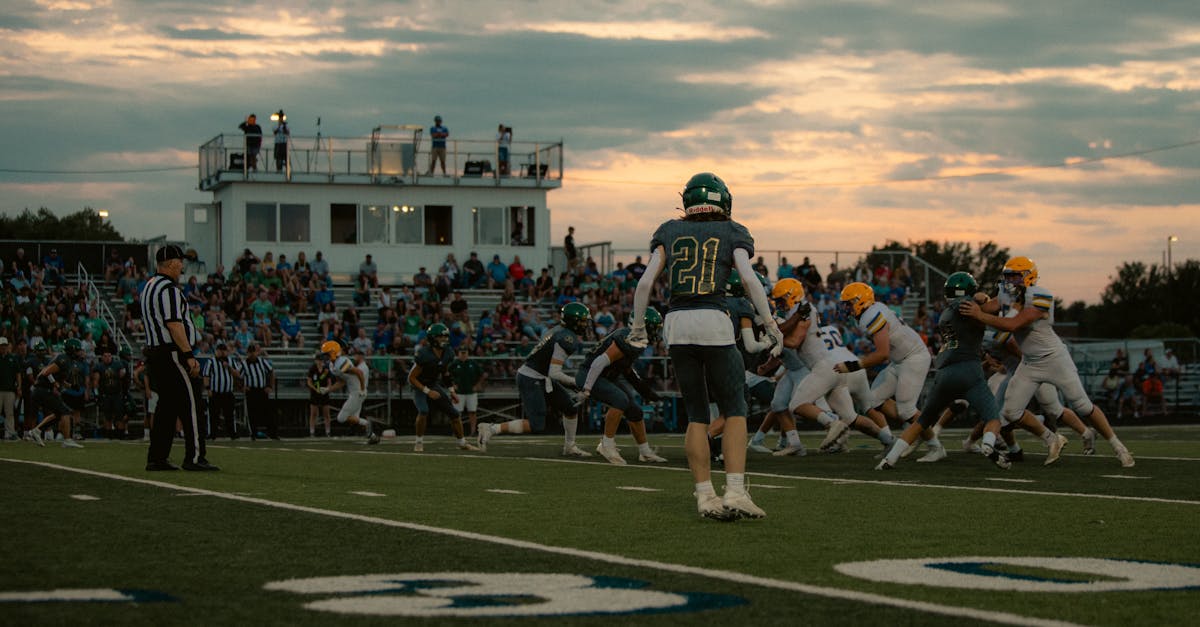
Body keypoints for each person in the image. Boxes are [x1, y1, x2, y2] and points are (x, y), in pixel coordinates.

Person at [628, 172, 782, 521]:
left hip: (676, 323)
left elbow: (645, 282)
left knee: (697, 414)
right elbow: (746, 277)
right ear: (722, 200)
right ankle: (736, 491)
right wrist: (770, 323)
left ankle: (704, 495)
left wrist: (638, 327)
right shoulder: (732, 231)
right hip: (712, 318)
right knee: (735, 408)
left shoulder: (668, 230)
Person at [960, 256, 1134, 467]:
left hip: (1054, 359)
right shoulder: (1007, 293)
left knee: (1082, 405)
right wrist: (979, 300)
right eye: (1008, 276)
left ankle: (1118, 446)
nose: (1010, 281)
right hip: (1030, 362)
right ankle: (1052, 438)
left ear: (1028, 276)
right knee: (1010, 412)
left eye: (1015, 276)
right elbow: (990, 308)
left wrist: (980, 314)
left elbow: (1013, 324)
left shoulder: (1040, 295)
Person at [876, 272, 1012, 470]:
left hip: (945, 373)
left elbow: (980, 306)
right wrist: (1003, 293)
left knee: (922, 422)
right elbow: (992, 307)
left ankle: (889, 459)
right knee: (992, 418)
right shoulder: (963, 304)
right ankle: (988, 444)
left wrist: (982, 298)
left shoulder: (947, 312)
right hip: (969, 370)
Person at [478, 303, 593, 457]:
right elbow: (555, 373)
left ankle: (570, 446)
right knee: (536, 424)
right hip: (531, 377)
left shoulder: (558, 330)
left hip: (540, 375)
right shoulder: (567, 338)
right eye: (583, 321)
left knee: (570, 408)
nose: (585, 324)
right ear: (574, 321)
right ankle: (491, 429)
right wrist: (577, 384)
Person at [140, 244, 217, 470]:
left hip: (156, 353)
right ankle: (194, 458)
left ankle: (157, 457)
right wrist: (188, 355)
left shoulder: (149, 287)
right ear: (172, 263)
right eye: (180, 262)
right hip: (172, 353)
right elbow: (174, 325)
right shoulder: (169, 289)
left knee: (167, 408)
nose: (182, 266)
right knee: (192, 404)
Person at [579, 307, 670, 465]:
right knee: (620, 400)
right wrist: (587, 388)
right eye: (654, 327)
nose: (656, 331)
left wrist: (645, 392)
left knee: (635, 411)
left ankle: (645, 451)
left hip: (607, 376)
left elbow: (627, 370)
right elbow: (598, 362)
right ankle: (606, 445)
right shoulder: (626, 337)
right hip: (591, 374)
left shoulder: (636, 340)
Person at [408, 324, 479, 453]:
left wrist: (452, 391)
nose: (444, 340)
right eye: (440, 337)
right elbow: (411, 378)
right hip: (419, 385)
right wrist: (427, 391)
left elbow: (445, 373)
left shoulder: (448, 352)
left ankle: (462, 443)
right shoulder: (424, 354)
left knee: (454, 413)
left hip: (433, 384)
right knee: (423, 411)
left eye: (445, 337)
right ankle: (418, 442)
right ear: (432, 338)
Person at [321, 341, 379, 445]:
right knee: (354, 418)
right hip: (354, 392)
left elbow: (359, 373)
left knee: (341, 418)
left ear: (333, 352)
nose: (325, 357)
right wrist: (328, 389)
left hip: (357, 392)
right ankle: (372, 436)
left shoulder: (341, 362)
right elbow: (341, 382)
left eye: (327, 354)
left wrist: (362, 389)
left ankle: (367, 423)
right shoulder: (332, 365)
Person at [237, 343, 277, 441]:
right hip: (251, 390)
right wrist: (241, 387)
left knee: (267, 412)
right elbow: (237, 376)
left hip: (262, 390)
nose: (252, 354)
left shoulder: (262, 361)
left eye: (253, 352)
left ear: (256, 352)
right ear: (247, 353)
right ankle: (253, 433)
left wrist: (270, 386)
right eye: (250, 352)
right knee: (252, 413)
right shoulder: (244, 363)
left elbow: (271, 371)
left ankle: (272, 433)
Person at [202, 342, 239, 440]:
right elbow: (206, 376)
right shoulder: (211, 361)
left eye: (224, 351)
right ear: (216, 351)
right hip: (215, 393)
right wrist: (208, 388)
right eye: (220, 350)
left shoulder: (231, 361)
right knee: (213, 415)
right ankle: (212, 434)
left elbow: (237, 374)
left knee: (230, 415)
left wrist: (229, 367)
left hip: (228, 393)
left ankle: (232, 434)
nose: (222, 353)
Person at [448, 346, 486, 437]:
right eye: (462, 353)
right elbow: (446, 375)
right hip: (458, 393)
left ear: (467, 354)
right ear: (458, 354)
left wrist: (477, 385)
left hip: (471, 392)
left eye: (465, 353)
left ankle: (473, 432)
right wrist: (452, 385)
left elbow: (482, 375)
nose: (463, 355)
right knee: (456, 413)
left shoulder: (473, 363)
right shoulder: (454, 364)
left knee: (472, 412)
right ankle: (457, 431)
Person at [306, 352, 334, 437]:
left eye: (321, 360)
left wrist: (327, 389)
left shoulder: (326, 369)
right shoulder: (312, 369)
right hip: (315, 393)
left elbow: (329, 382)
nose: (320, 362)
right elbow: (309, 382)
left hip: (324, 393)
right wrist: (315, 389)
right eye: (318, 360)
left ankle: (328, 432)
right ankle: (312, 432)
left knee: (326, 413)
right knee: (313, 413)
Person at [0, 337, 21, 441]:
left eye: (4, 346)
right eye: (1, 346)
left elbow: (18, 374)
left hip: (10, 390)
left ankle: (10, 432)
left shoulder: (12, 358)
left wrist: (19, 387)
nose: (3, 348)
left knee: (9, 413)